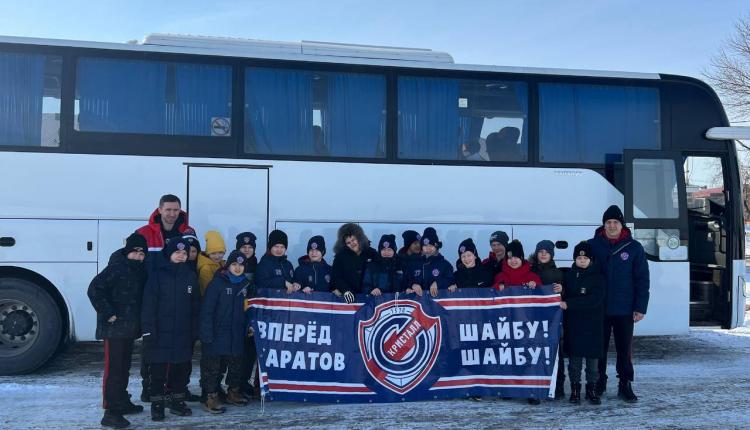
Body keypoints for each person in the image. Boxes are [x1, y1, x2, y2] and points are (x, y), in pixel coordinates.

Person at [135, 194, 194, 402]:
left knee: (179, 349)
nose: (171, 214)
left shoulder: (187, 233)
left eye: (175, 210)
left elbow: (192, 262)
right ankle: (149, 387)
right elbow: (129, 258)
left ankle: (178, 389)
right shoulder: (144, 233)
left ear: (180, 211)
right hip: (150, 297)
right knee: (152, 347)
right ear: (159, 210)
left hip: (178, 295)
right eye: (168, 209)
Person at [588, 205, 650, 402]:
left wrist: (640, 307)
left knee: (625, 349)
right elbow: (584, 275)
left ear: (621, 225)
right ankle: (599, 382)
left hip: (625, 308)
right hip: (600, 308)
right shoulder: (592, 245)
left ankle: (625, 383)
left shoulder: (634, 248)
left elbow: (642, 279)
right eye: (608, 222)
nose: (612, 226)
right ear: (603, 225)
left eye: (615, 222)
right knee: (599, 348)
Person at [87, 233, 148, 429]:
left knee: (124, 368)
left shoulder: (140, 271)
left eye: (142, 253)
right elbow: (94, 289)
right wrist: (108, 313)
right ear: (127, 251)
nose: (138, 256)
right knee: (114, 370)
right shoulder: (116, 268)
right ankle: (111, 412)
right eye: (135, 251)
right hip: (114, 330)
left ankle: (122, 400)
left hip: (128, 330)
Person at [140, 237, 200, 422]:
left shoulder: (190, 276)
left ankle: (177, 401)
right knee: (157, 371)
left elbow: (195, 306)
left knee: (180, 370)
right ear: (169, 254)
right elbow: (148, 305)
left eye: (184, 253)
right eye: (177, 253)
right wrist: (148, 330)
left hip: (182, 333)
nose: (181, 256)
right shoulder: (158, 275)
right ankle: (157, 404)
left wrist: (195, 330)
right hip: (160, 332)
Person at [491, 239, 543, 405]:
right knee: (509, 356)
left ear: (522, 258)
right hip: (506, 324)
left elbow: (543, 296)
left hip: (527, 325)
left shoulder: (532, 276)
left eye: (516, 258)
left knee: (528, 356)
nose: (513, 261)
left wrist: (536, 287)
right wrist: (498, 287)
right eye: (510, 257)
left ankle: (531, 390)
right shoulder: (501, 276)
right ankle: (508, 387)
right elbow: (492, 296)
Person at [199, 250, 252, 414]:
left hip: (236, 333)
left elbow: (251, 309)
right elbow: (207, 310)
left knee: (236, 365)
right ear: (228, 265)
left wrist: (249, 326)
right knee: (213, 368)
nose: (237, 268)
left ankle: (233, 392)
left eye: (241, 265)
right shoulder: (218, 283)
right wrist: (206, 333)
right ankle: (210, 396)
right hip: (217, 334)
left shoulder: (247, 285)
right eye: (234, 264)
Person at [561, 241, 605, 405]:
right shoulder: (569, 276)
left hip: (593, 326)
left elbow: (594, 300)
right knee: (574, 362)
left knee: (593, 363)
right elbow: (563, 294)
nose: (582, 260)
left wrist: (570, 304)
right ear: (574, 259)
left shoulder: (599, 277)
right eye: (579, 258)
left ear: (591, 259)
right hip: (574, 326)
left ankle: (591, 389)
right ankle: (575, 389)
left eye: (585, 258)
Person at [530, 240, 566, 399]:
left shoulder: (558, 273)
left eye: (546, 251)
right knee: (534, 353)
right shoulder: (530, 271)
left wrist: (562, 290)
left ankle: (558, 386)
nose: (543, 254)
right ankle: (534, 388)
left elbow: (567, 294)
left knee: (555, 352)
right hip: (532, 320)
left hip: (552, 321)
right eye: (540, 251)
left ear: (551, 254)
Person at [331, 223, 377, 303]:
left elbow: (379, 272)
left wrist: (376, 288)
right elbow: (336, 277)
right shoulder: (340, 257)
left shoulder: (372, 253)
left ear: (359, 238)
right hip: (349, 299)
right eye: (348, 243)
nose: (352, 243)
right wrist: (345, 290)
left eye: (353, 240)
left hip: (370, 298)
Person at [405, 227, 455, 297]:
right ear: (422, 247)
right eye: (425, 246)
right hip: (418, 304)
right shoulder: (413, 264)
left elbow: (451, 280)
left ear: (436, 246)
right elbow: (405, 280)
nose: (428, 248)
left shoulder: (445, 265)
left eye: (431, 245)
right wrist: (412, 285)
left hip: (437, 305)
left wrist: (438, 283)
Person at [197, 231, 227, 296]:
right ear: (208, 253)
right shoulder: (206, 268)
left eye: (220, 252)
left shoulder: (222, 263)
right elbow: (208, 291)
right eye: (213, 253)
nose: (217, 256)